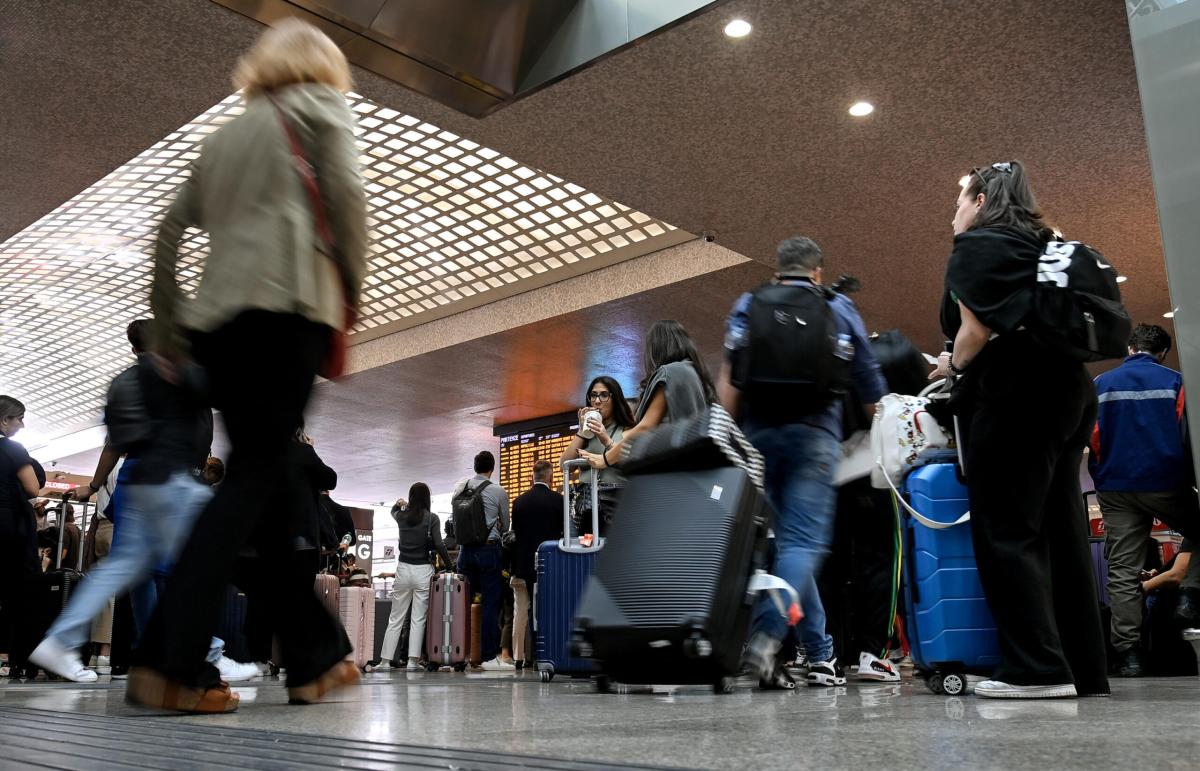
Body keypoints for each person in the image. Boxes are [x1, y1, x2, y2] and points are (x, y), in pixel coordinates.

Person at [128, 18, 367, 713]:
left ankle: (314, 658)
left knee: (257, 485)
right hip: (288, 311)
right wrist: (348, 291)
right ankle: (169, 663)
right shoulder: (321, 106)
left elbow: (169, 228)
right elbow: (347, 200)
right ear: (320, 66)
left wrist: (169, 327)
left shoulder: (226, 136)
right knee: (255, 478)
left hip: (217, 329)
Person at [931, 160, 1109, 698]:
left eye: (960, 199)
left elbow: (975, 331)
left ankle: (1037, 670)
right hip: (1069, 392)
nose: (954, 211)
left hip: (1016, 396)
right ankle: (1082, 670)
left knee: (1007, 531)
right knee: (1062, 534)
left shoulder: (980, 246)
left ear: (982, 201)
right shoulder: (1043, 242)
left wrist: (951, 368)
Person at [29, 324, 256, 685]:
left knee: (125, 567)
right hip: (173, 478)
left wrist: (97, 483)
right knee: (198, 564)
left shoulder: (124, 382)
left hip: (136, 477)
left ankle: (59, 641)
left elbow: (115, 443)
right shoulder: (178, 373)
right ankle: (206, 652)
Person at [717, 235, 887, 689]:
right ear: (817, 272)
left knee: (780, 546)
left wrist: (723, 439)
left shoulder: (749, 302)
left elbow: (731, 380)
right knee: (803, 545)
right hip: (816, 436)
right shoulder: (837, 308)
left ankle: (807, 649)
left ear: (778, 270)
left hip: (759, 437)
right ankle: (769, 637)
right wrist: (886, 440)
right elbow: (870, 384)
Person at [1088, 323, 1200, 677]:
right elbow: (1188, 436)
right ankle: (1189, 598)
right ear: (1162, 352)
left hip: (1115, 489)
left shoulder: (1100, 385)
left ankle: (1129, 655)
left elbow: (1090, 437)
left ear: (1130, 348)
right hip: (1166, 481)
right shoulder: (1176, 381)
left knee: (1122, 570)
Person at [579, 320, 717, 472]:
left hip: (668, 471)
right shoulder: (695, 374)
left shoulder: (669, 373)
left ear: (655, 347)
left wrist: (604, 459)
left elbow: (646, 427)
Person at [378, 482, 451, 670]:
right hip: (422, 571)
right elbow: (439, 544)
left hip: (403, 570)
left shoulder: (401, 516)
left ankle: (385, 661)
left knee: (396, 618)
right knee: (418, 618)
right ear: (427, 498)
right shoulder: (432, 518)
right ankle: (412, 661)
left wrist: (399, 504)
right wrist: (450, 566)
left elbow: (392, 511)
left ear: (410, 498)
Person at [0, 396, 47, 678]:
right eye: (19, 418)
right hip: (10, 528)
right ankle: (22, 659)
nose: (22, 424)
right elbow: (32, 488)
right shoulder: (13, 449)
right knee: (20, 594)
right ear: (5, 420)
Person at [453, 451, 510, 671]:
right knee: (490, 605)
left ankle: (458, 654)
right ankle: (487, 657)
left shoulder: (460, 488)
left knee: (461, 605)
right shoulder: (497, 491)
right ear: (492, 469)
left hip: (464, 553)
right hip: (487, 552)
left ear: (475, 467)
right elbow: (505, 525)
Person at [561, 376, 636, 536]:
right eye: (593, 395)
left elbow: (633, 466)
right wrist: (582, 432)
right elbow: (565, 465)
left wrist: (606, 440)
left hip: (617, 507)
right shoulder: (586, 435)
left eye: (604, 395)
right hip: (585, 507)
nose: (597, 401)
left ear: (615, 399)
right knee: (583, 556)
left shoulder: (628, 431)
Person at [509, 461, 564, 668]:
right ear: (550, 477)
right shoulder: (558, 501)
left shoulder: (519, 502)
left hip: (522, 564)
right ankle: (546, 652)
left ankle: (518, 656)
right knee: (547, 609)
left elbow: (516, 535)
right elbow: (562, 534)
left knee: (520, 611)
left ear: (533, 476)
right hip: (548, 565)